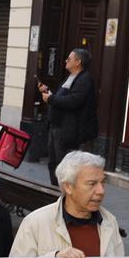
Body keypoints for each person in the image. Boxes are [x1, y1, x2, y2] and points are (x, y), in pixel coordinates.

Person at [41, 49, 97, 186]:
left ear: (78, 62)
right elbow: (62, 98)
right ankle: (54, 191)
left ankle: (64, 193)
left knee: (63, 164)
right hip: (56, 126)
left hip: (68, 130)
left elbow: (73, 101)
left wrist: (51, 99)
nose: (66, 61)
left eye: (69, 59)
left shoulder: (84, 80)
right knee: (53, 162)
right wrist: (49, 94)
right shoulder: (70, 77)